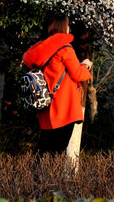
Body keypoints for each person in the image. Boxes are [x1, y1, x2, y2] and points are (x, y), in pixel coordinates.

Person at [23, 12, 93, 155]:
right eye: (67, 25)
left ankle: (33, 177)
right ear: (62, 27)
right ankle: (43, 178)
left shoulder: (43, 49)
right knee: (55, 153)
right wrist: (85, 66)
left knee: (44, 150)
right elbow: (79, 74)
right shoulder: (65, 49)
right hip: (64, 108)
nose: (69, 28)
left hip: (47, 107)